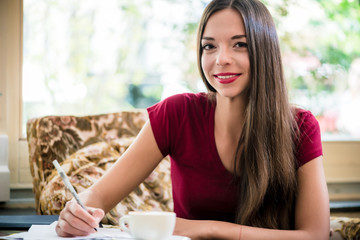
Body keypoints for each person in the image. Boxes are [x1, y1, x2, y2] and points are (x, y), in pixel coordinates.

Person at [56, 0, 330, 239]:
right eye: (209, 46)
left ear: (264, 51)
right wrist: (75, 213)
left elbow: (314, 235)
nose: (221, 59)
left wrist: (208, 229)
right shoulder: (176, 114)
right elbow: (98, 197)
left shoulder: (300, 127)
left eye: (240, 45)